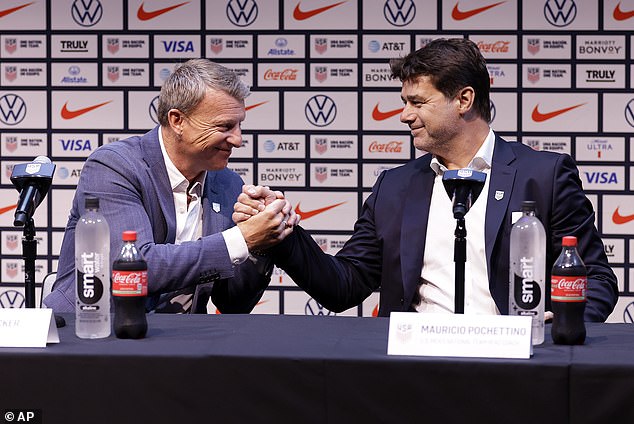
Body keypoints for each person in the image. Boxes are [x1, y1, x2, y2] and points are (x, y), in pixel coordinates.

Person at [234, 38, 618, 321]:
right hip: (413, 374)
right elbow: (343, 285)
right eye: (404, 101)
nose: (403, 114)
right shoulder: (395, 186)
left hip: (519, 367)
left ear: (464, 100)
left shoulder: (544, 175)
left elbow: (597, 278)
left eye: (417, 102)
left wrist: (564, 320)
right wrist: (282, 233)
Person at [45, 59, 297, 314]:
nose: (238, 139)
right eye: (225, 126)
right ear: (177, 120)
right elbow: (138, 268)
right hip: (92, 332)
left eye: (240, 124)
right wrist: (242, 237)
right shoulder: (113, 166)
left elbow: (233, 303)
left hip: (182, 342)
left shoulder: (229, 184)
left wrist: (261, 243)